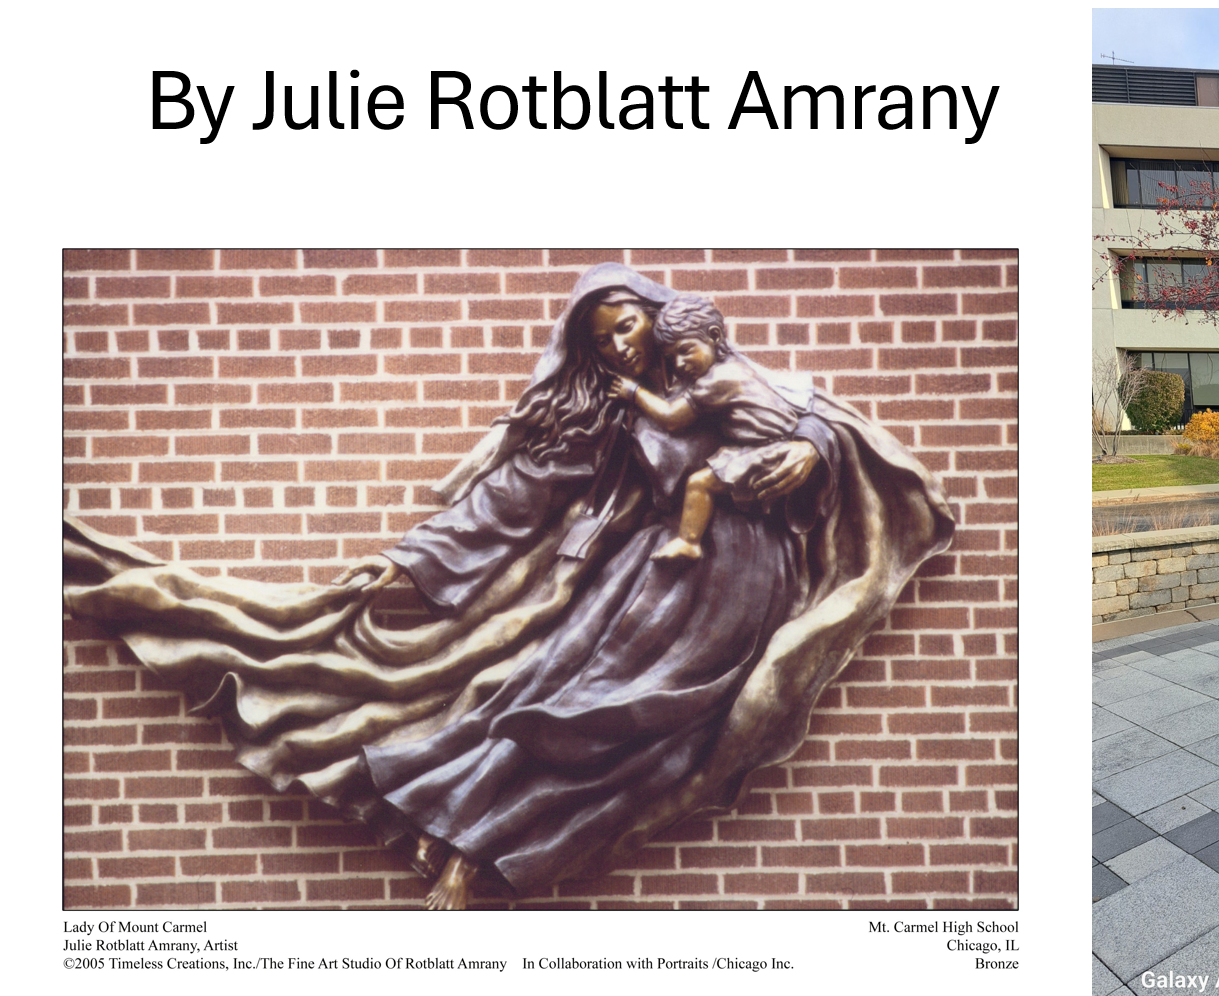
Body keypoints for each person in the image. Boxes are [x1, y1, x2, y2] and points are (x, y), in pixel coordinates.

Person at [64, 263, 954, 909]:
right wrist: (411, 558)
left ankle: (475, 845)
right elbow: (512, 497)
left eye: (628, 324)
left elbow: (833, 430)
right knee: (548, 700)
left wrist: (813, 451)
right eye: (602, 336)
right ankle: (458, 840)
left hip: (741, 580)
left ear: (658, 317)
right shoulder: (605, 410)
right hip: (635, 582)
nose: (621, 343)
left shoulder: (737, 376)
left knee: (646, 738)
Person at [603, 293, 807, 565]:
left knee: (700, 483)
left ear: (714, 336)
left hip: (766, 450)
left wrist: (634, 392)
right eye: (671, 357)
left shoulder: (717, 380)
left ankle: (688, 542)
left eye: (685, 351)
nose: (679, 364)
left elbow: (672, 417)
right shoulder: (734, 369)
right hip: (764, 447)